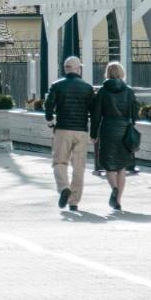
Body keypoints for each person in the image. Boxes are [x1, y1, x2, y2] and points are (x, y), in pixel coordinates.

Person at [44, 56, 95, 211]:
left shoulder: (57, 85)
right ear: (78, 69)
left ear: (65, 68)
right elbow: (94, 111)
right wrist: (94, 132)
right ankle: (74, 201)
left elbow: (49, 105)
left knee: (59, 162)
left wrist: (50, 121)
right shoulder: (87, 88)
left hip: (62, 129)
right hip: (81, 131)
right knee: (79, 166)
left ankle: (64, 187)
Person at [91, 61, 138, 211]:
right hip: (124, 130)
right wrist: (131, 123)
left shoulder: (103, 91)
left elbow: (96, 114)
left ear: (108, 73)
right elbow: (135, 113)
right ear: (122, 73)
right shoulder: (129, 91)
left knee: (109, 165)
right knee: (122, 167)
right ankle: (117, 201)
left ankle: (114, 189)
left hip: (108, 129)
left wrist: (93, 133)